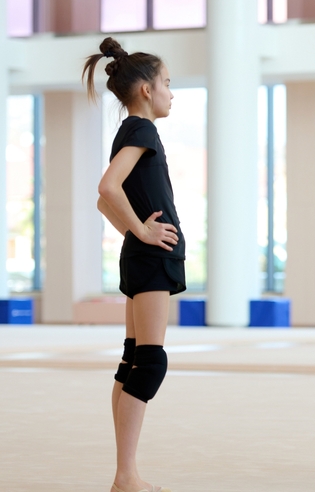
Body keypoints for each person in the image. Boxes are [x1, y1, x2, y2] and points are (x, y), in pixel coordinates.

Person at [83, 37, 184, 492]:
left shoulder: (132, 132)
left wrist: (134, 233)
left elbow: (106, 201)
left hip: (145, 257)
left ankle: (127, 474)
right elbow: (108, 189)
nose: (171, 91)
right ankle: (126, 476)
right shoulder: (141, 130)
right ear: (145, 89)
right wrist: (142, 233)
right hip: (150, 259)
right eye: (166, 82)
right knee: (150, 362)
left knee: (133, 360)